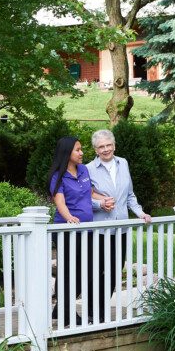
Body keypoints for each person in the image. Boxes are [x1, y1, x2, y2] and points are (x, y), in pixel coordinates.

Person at [86, 129, 152, 322]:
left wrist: (140, 212)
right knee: (97, 272)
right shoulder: (88, 169)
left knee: (115, 271)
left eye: (108, 145)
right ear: (95, 150)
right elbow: (83, 198)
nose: (106, 149)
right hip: (99, 230)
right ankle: (93, 311)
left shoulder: (123, 163)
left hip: (121, 228)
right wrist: (100, 204)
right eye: (101, 147)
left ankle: (100, 308)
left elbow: (129, 195)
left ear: (114, 145)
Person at [48, 136, 95, 327]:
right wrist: (69, 217)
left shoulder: (83, 170)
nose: (82, 153)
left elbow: (90, 193)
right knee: (70, 272)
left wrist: (106, 198)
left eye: (81, 149)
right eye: (78, 150)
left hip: (86, 231)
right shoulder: (57, 176)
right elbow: (59, 202)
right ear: (67, 153)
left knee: (84, 271)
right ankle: (68, 312)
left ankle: (60, 308)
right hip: (67, 231)